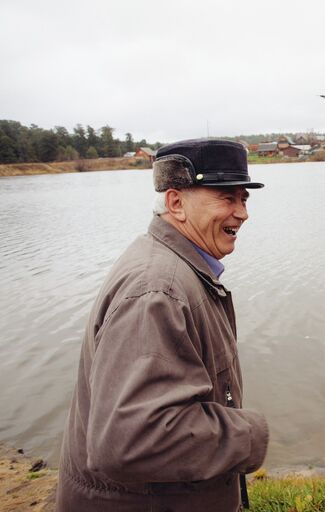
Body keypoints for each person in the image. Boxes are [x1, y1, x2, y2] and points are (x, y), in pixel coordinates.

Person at [56, 139, 269, 512]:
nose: (242, 213)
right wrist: (249, 436)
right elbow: (130, 439)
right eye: (226, 198)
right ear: (175, 203)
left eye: (244, 199)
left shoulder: (178, 267)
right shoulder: (157, 290)